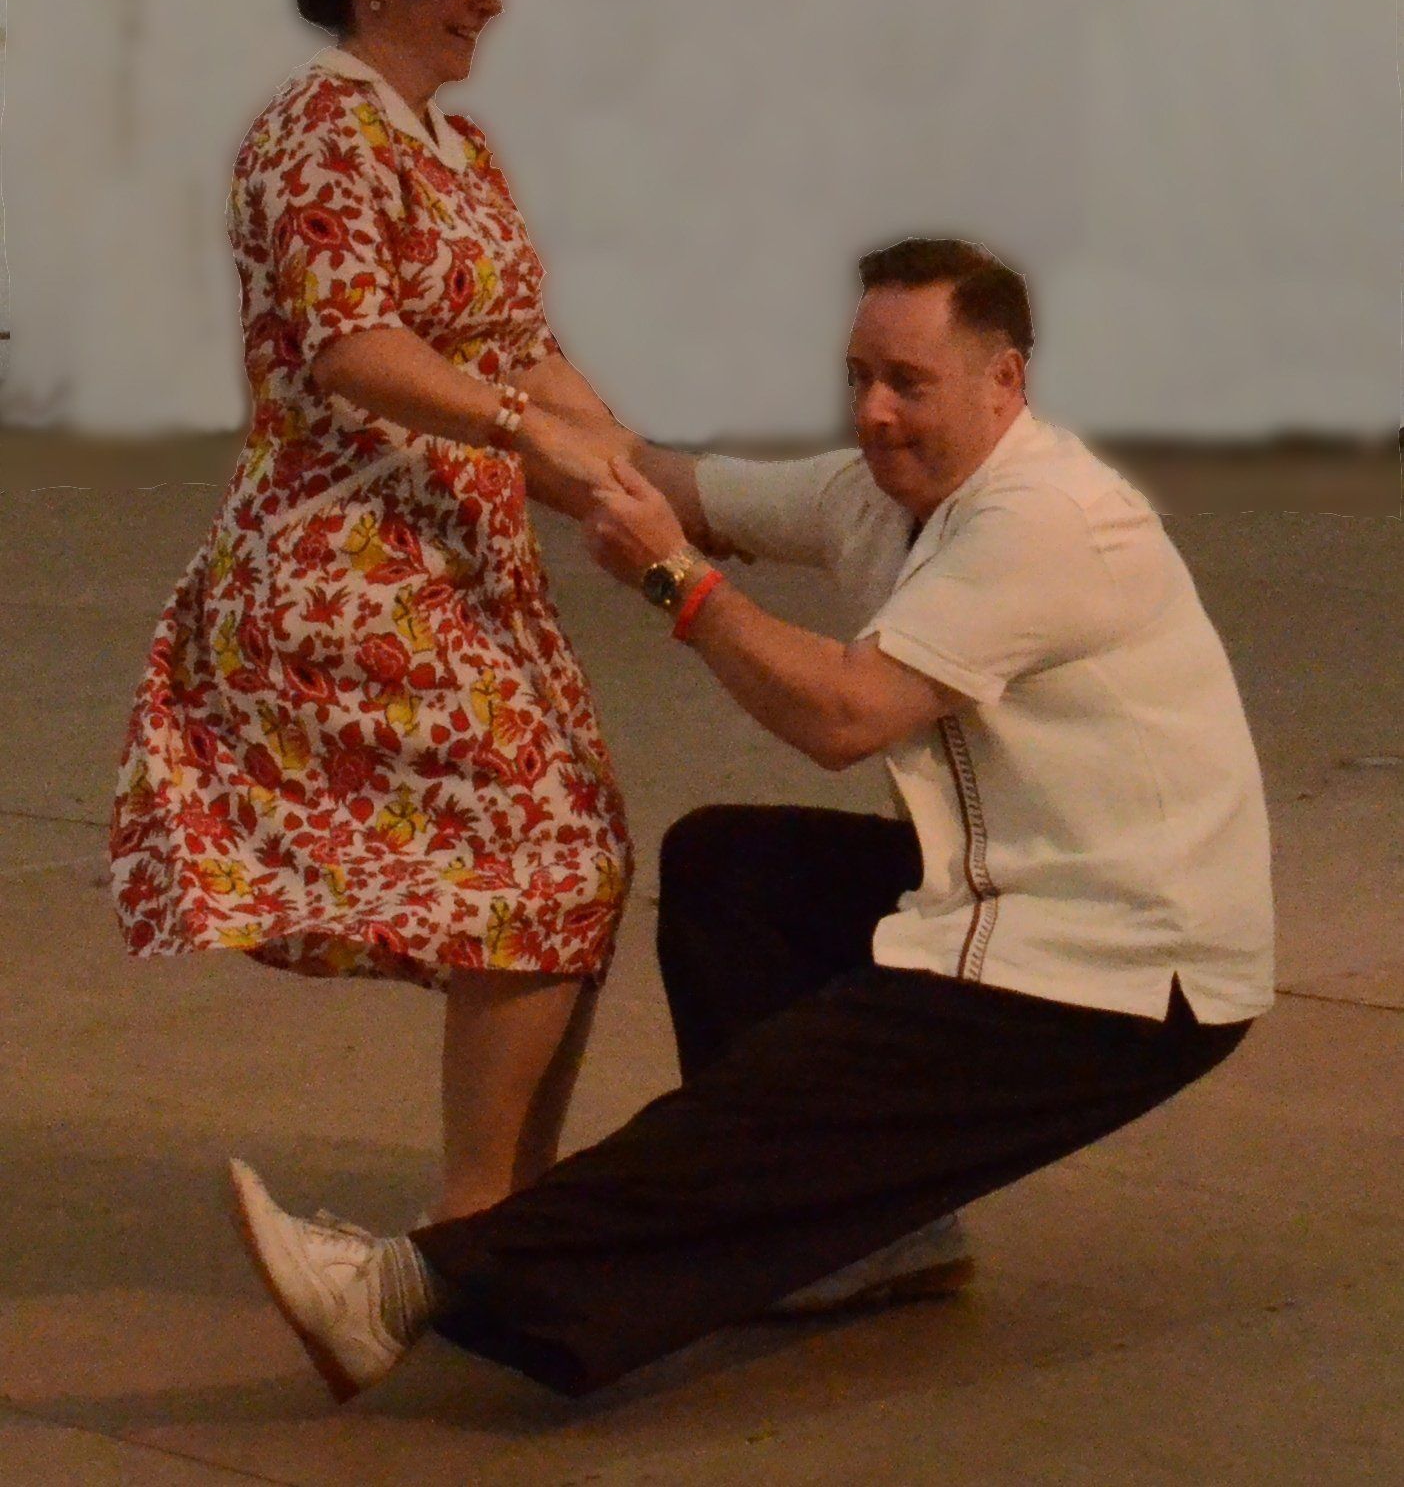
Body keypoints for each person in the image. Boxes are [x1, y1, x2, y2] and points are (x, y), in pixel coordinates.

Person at [228, 237, 1274, 1402]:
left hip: (1127, 963)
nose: (873, 413)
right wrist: (503, 372)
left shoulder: (1046, 520)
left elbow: (844, 714)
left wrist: (677, 581)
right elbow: (655, 481)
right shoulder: (877, 493)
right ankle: (867, 1243)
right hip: (1019, 881)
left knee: (777, 1113)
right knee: (733, 869)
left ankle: (401, 1294)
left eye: (908, 383)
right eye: (859, 377)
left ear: (1005, 383)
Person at [110, 0, 643, 1228]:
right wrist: (530, 435)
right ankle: (479, 1225)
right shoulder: (317, 134)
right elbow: (354, 346)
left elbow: (520, 345)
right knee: (545, 861)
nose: (487, 1)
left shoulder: (458, 149)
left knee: (577, 857)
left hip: (456, 569)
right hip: (348, 570)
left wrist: (631, 467)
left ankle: (510, 1215)